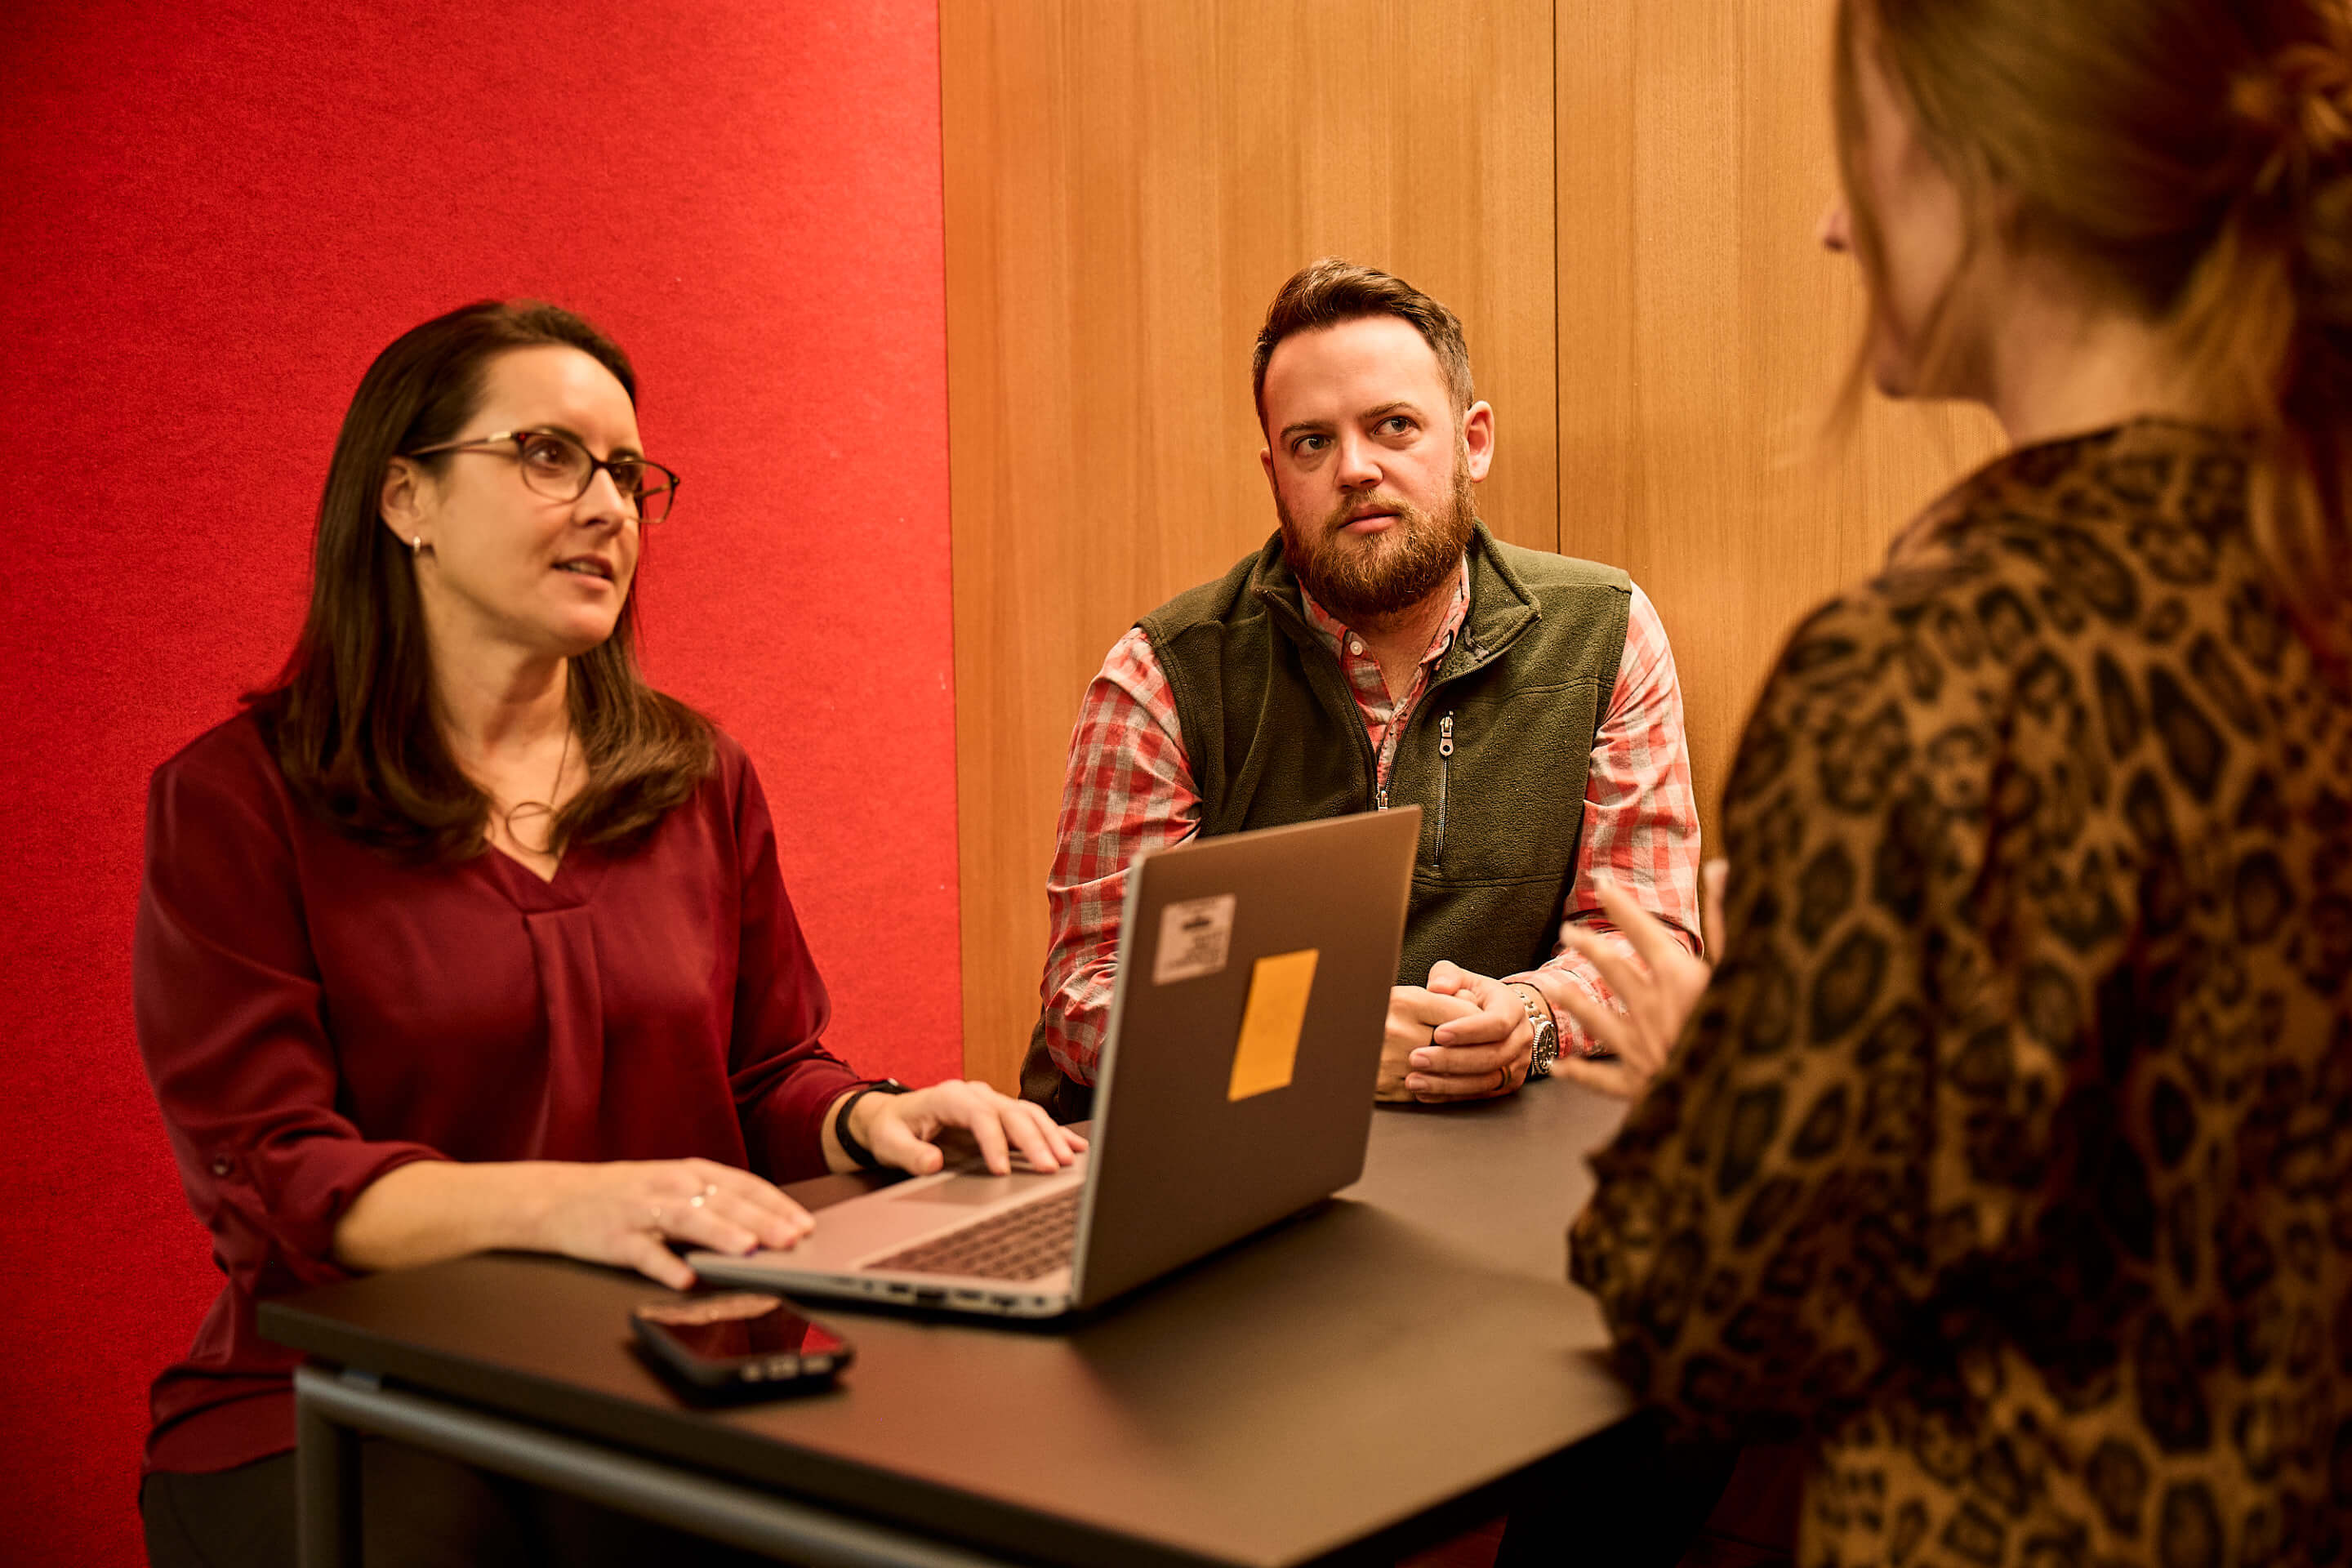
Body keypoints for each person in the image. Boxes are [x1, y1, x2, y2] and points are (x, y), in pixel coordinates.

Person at [1555, 2, 2352, 1564]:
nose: (1835, 225)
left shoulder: (1930, 681)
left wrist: (1712, 1084)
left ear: (1986, 177)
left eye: (1865, 155)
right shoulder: (2306, 592)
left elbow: (1718, 1324)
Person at [135, 301, 1082, 1567]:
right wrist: (571, 1209)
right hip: (349, 1399)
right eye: (547, 456)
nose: (607, 507)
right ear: (404, 498)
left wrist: (870, 1119)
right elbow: (275, 1173)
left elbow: (760, 1077)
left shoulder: (697, 774)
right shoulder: (238, 800)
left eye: (630, 476)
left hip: (660, 1361)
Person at [1021, 260, 1703, 1120]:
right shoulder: (1162, 676)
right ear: (1275, 473)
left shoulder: (1606, 633)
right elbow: (1088, 992)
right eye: (1313, 442)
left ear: (1473, 441)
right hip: (1230, 1151)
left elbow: (1649, 944)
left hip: (1497, 1146)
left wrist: (1530, 1020)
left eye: (1395, 427)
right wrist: (1319, 1046)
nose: (1355, 469)